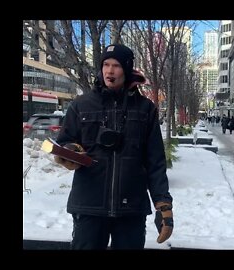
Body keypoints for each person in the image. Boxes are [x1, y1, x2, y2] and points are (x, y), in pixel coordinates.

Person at [54, 44, 173, 249]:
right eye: (106, 65)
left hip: (131, 208)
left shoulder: (146, 109)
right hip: (89, 205)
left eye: (116, 65)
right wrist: (70, 152)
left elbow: (155, 161)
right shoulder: (81, 105)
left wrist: (163, 205)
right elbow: (65, 141)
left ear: (126, 69)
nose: (110, 71)